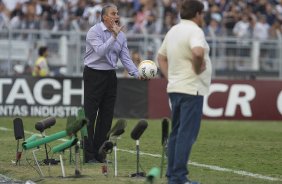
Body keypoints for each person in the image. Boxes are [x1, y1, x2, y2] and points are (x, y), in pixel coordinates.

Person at [157, 0, 212, 184]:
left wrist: (170, 76)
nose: (203, 18)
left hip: (176, 87)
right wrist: (197, 68)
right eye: (202, 14)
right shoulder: (195, 31)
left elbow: (161, 57)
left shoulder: (173, 30)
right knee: (186, 135)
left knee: (176, 133)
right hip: (191, 89)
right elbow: (197, 53)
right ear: (197, 14)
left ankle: (173, 176)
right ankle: (179, 177)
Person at [83, 3, 142, 163]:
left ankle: (100, 153)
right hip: (93, 74)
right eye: (113, 13)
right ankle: (88, 156)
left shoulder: (121, 36)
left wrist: (137, 74)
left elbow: (125, 58)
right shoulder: (94, 31)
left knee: (106, 117)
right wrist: (113, 36)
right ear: (104, 17)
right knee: (90, 115)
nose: (117, 16)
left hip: (110, 75)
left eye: (117, 13)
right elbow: (101, 51)